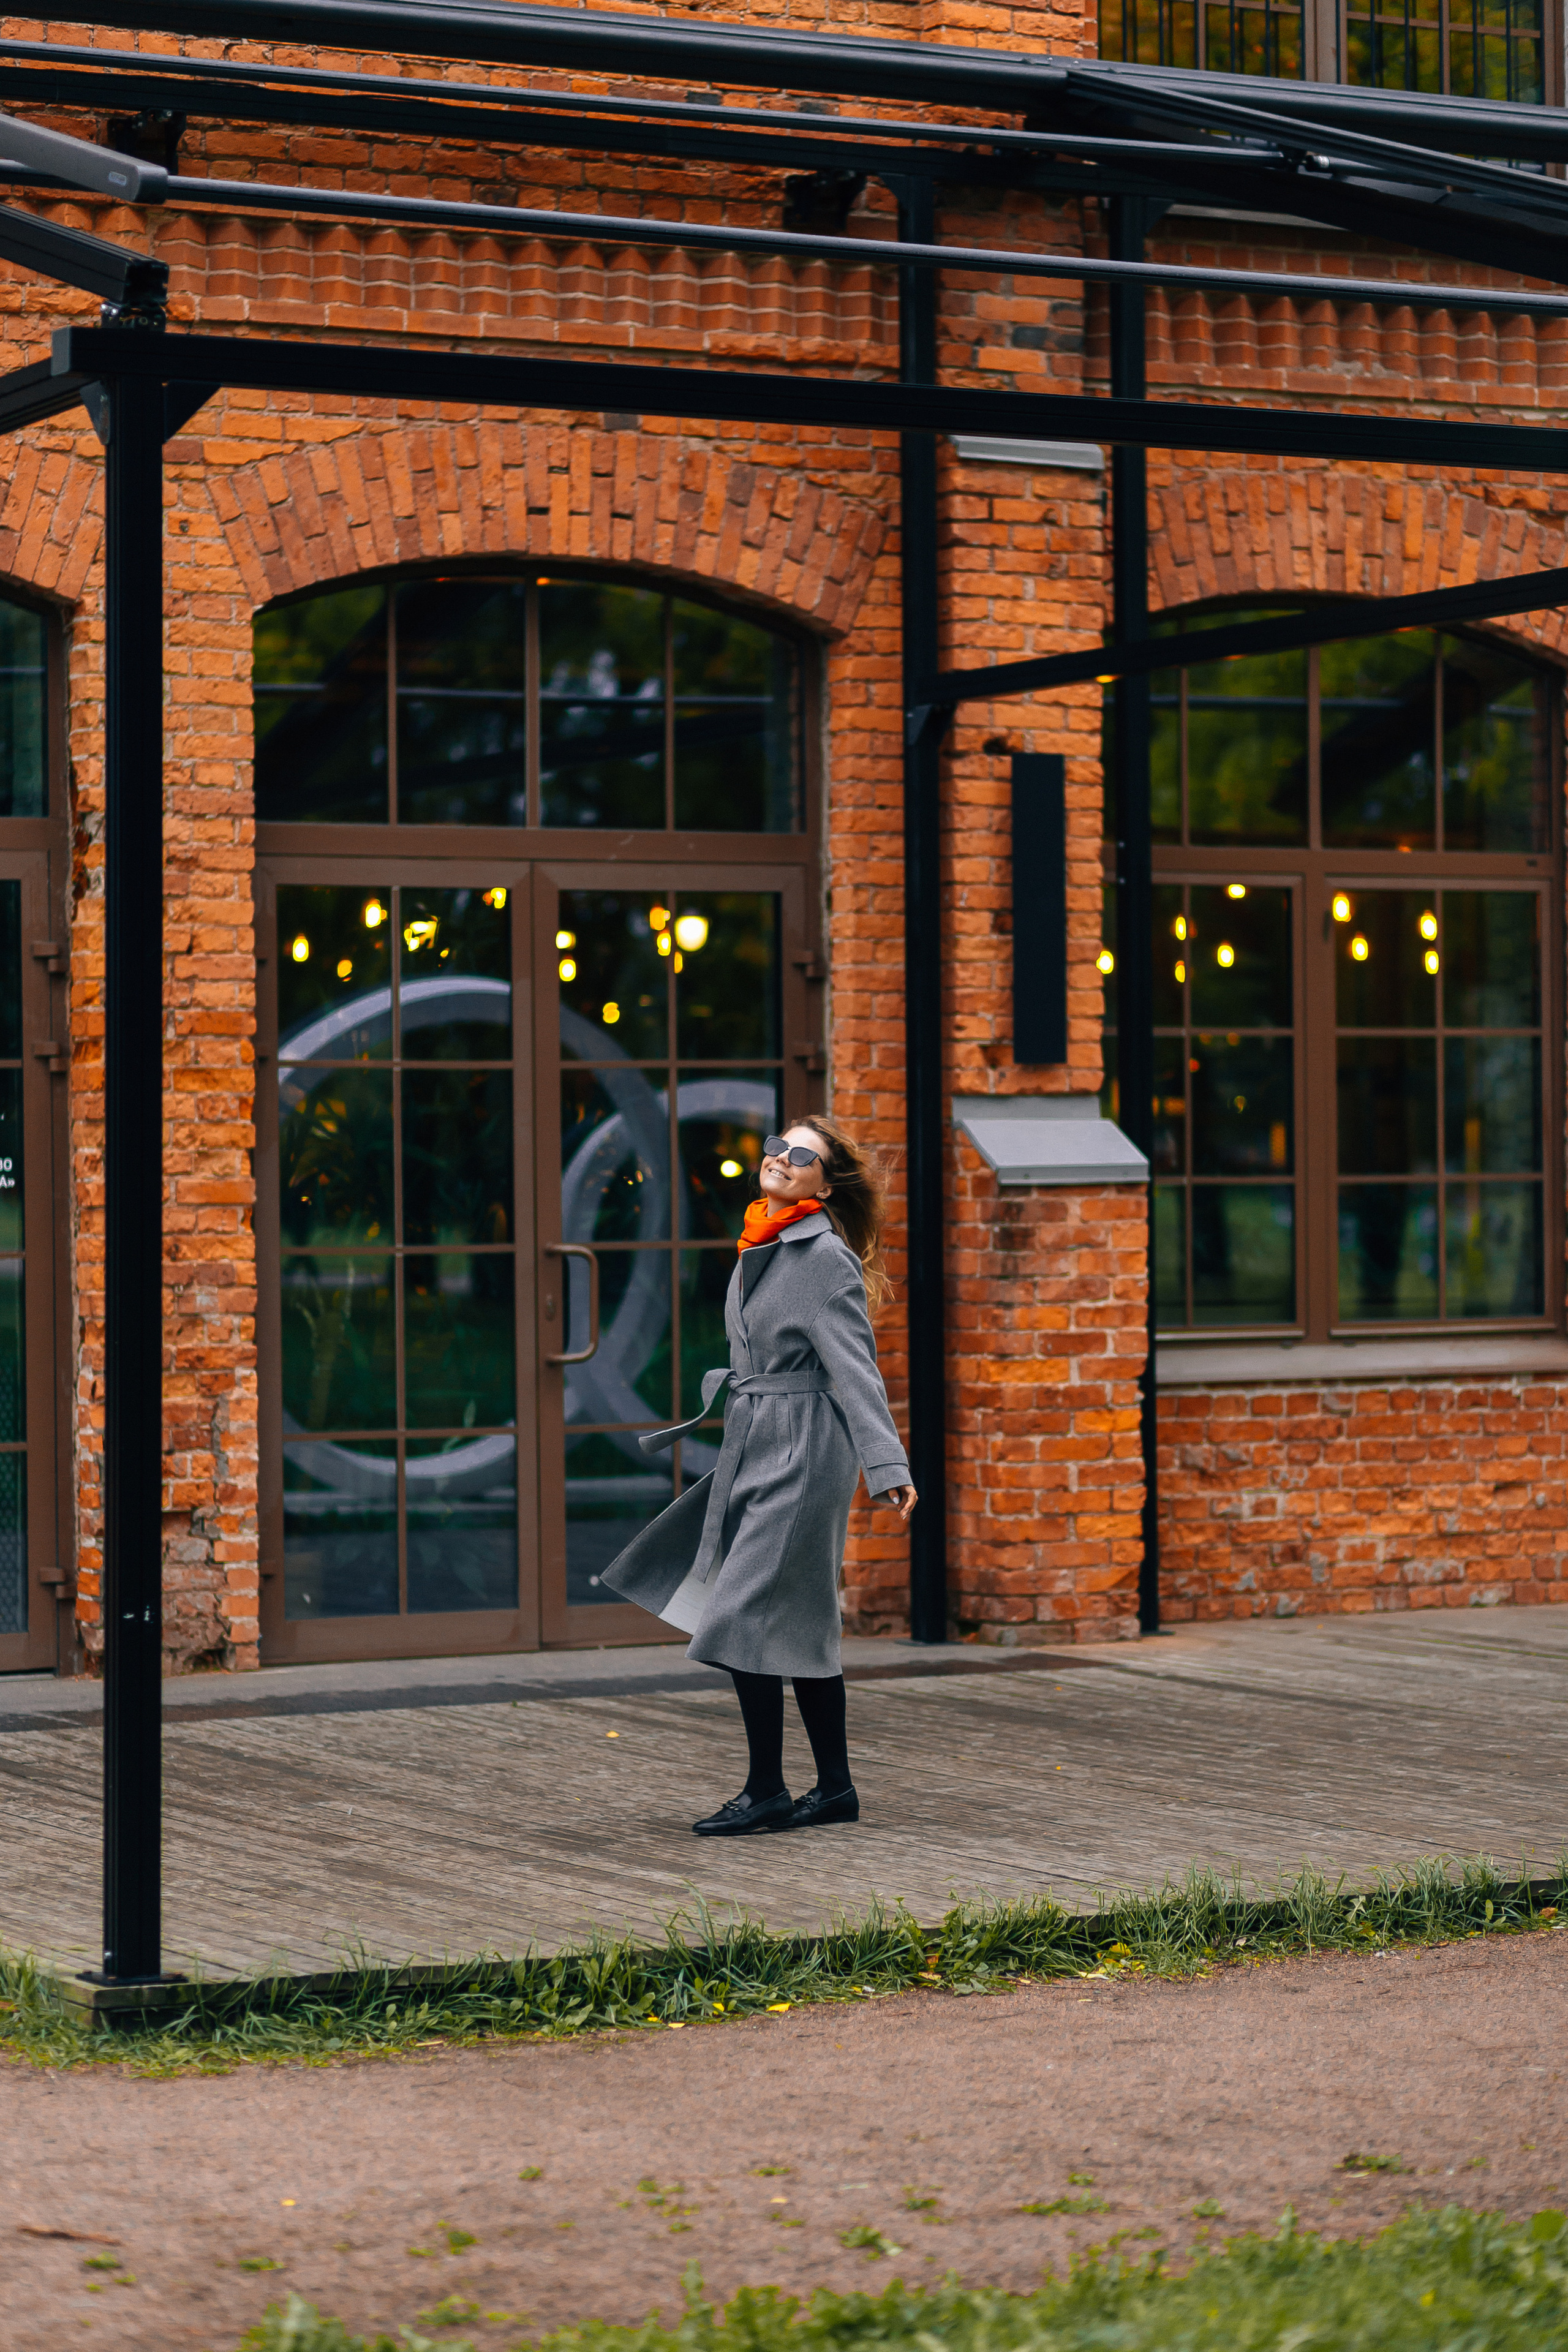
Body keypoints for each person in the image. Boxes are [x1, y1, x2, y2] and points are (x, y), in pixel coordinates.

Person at [601, 1115, 917, 1835]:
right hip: (758, 1437)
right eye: (776, 1145)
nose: (779, 1157)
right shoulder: (763, 1240)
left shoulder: (820, 1257)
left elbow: (855, 1371)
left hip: (804, 1449)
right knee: (800, 1624)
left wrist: (887, 1464)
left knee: (742, 1611)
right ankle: (833, 1789)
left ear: (824, 1182)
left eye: (800, 1154)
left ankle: (767, 1788)